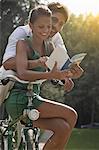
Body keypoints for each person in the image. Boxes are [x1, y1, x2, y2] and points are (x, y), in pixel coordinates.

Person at [5, 5, 82, 150]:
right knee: (71, 115)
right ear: (32, 25)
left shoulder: (52, 44)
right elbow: (14, 67)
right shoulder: (22, 38)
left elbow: (62, 73)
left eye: (60, 24)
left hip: (34, 94)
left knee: (63, 128)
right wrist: (45, 70)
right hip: (17, 94)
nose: (52, 28)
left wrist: (70, 75)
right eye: (52, 21)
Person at [2, 2, 83, 92]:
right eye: (54, 20)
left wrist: (71, 74)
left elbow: (62, 68)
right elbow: (7, 64)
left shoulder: (56, 39)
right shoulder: (22, 33)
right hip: (7, 83)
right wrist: (37, 63)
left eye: (61, 24)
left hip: (31, 88)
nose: (56, 26)